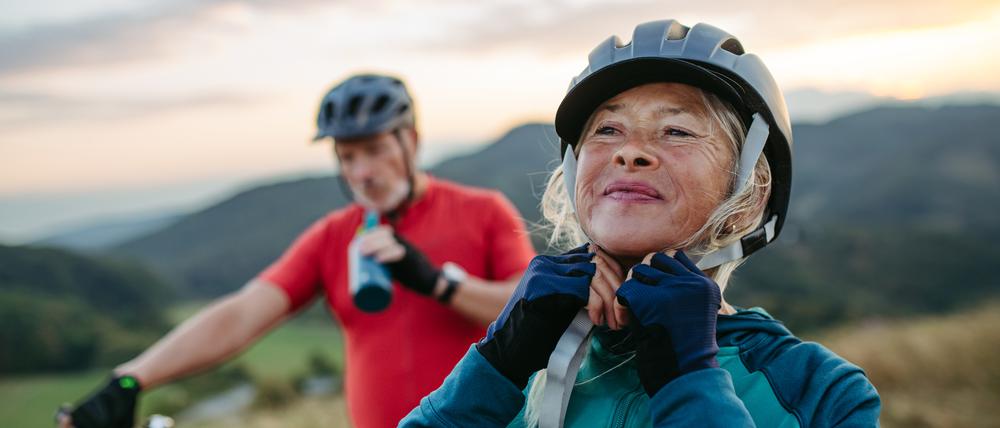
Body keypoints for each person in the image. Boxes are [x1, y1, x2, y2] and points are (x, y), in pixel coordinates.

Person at [401, 19, 881, 427]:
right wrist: (497, 363)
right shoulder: (522, 365)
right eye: (608, 130)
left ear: (749, 193)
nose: (629, 151)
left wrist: (688, 380)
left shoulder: (821, 391)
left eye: (677, 131)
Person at [58, 73, 536, 428]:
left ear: (410, 141)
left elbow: (528, 304)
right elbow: (241, 315)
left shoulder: (483, 211)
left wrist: (438, 282)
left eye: (373, 149)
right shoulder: (334, 236)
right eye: (347, 157)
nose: (361, 172)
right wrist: (130, 379)